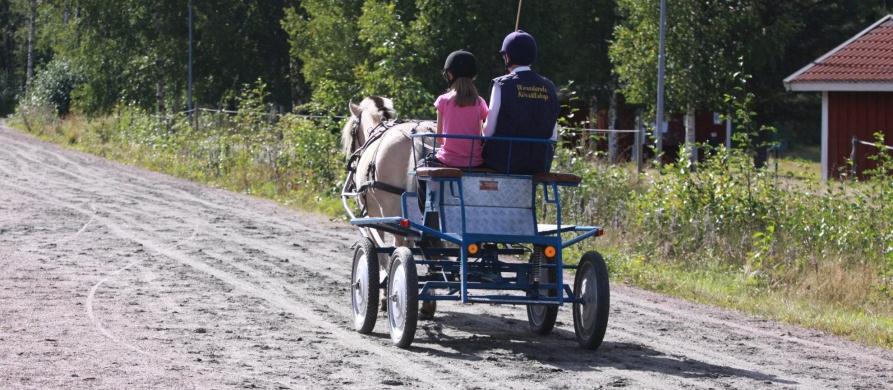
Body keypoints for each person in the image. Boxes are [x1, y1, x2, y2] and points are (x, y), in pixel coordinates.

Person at [482, 30, 559, 174]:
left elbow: (488, 131)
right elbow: (552, 135)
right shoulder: (549, 86)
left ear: (507, 57)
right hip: (539, 164)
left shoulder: (501, 84)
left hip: (504, 163)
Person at [427, 50, 489, 169]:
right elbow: (482, 133)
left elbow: (439, 139)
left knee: (419, 168)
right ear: (473, 76)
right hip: (475, 162)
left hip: (447, 161)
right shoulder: (480, 102)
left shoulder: (443, 100)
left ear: (449, 75)